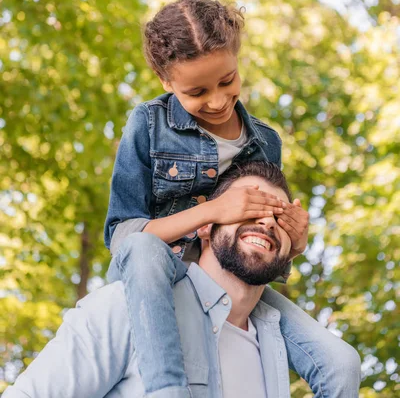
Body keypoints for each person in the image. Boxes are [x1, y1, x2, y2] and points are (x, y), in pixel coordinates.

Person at [104, 0, 355, 398]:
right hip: (158, 272)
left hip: (231, 274)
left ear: (237, 59)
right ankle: (168, 391)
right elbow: (122, 237)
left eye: (227, 81)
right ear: (166, 82)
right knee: (143, 249)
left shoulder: (266, 142)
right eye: (197, 91)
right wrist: (218, 210)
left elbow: (260, 255)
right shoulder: (148, 124)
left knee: (340, 364)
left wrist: (293, 245)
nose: (218, 100)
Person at [4, 162, 361, 398]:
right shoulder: (128, 307)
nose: (267, 222)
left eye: (280, 218)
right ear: (205, 225)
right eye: (250, 208)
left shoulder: (277, 347)